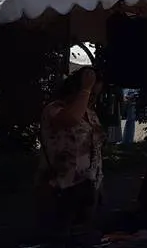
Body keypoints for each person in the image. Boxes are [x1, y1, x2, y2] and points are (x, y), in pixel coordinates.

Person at [38, 68, 104, 231]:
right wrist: (86, 89)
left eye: (95, 95)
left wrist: (99, 183)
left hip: (89, 184)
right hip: (60, 185)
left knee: (84, 235)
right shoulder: (54, 109)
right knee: (60, 235)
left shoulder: (90, 114)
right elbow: (71, 120)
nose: (92, 99)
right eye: (91, 94)